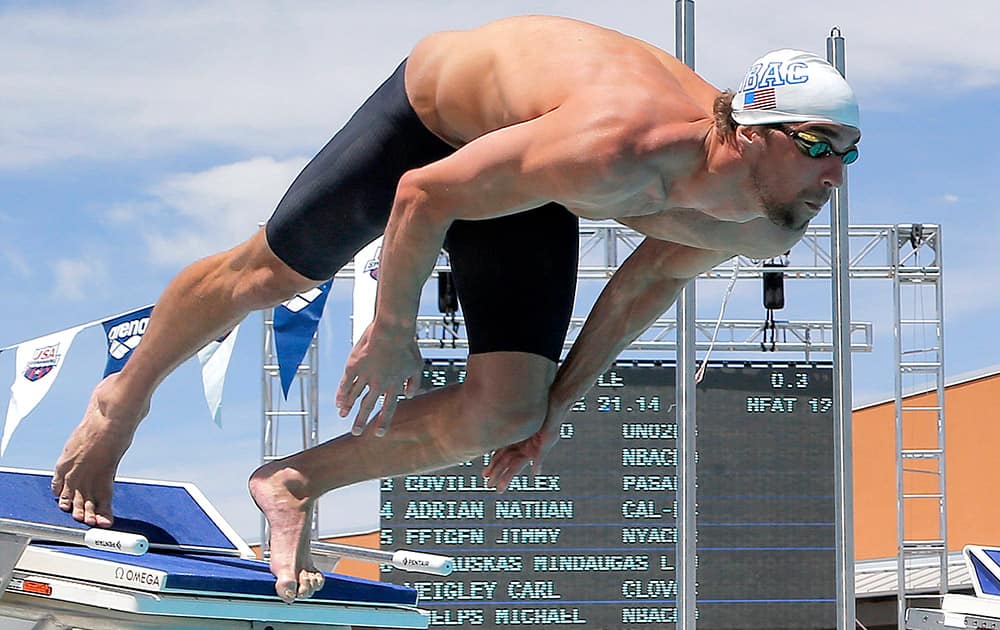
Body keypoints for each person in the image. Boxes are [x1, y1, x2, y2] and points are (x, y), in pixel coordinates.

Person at [50, 15, 861, 603]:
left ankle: (293, 481)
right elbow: (423, 192)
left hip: (525, 173)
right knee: (268, 273)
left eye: (848, 151)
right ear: (753, 132)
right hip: (436, 125)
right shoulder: (615, 145)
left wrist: (557, 405)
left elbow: (648, 283)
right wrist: (391, 329)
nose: (836, 174)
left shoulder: (761, 219)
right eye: (819, 146)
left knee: (508, 411)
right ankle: (122, 399)